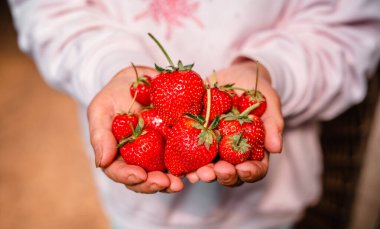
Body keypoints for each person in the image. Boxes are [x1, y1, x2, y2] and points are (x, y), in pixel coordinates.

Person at [8, 0, 380, 228]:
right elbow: (50, 10)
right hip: (140, 212)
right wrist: (111, 65)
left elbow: (348, 30)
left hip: (268, 207)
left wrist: (267, 72)